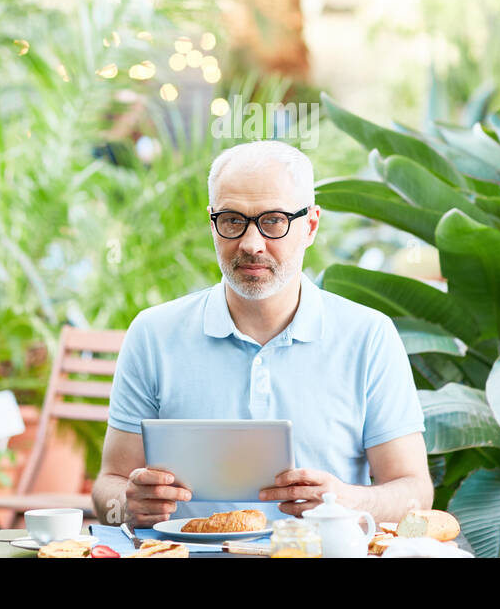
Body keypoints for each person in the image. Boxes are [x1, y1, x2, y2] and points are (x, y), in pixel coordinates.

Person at [91, 139, 432, 528]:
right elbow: (108, 489)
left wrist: (346, 501)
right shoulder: (153, 335)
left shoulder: (368, 337)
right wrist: (129, 505)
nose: (251, 244)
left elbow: (415, 493)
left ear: (311, 226)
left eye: (273, 220)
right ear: (213, 223)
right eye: (233, 220)